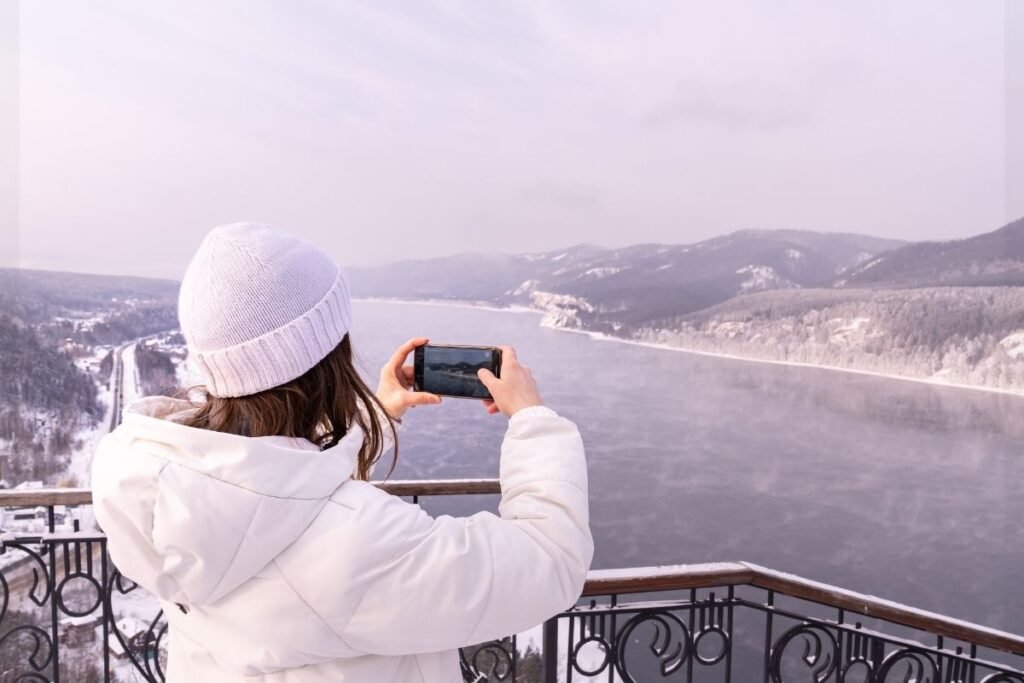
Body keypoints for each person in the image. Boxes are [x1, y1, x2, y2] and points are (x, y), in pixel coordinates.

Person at [91, 222, 594, 682]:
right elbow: (550, 560)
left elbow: (276, 491)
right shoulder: (361, 545)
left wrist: (377, 415)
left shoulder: (173, 493)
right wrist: (532, 419)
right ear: (328, 356)